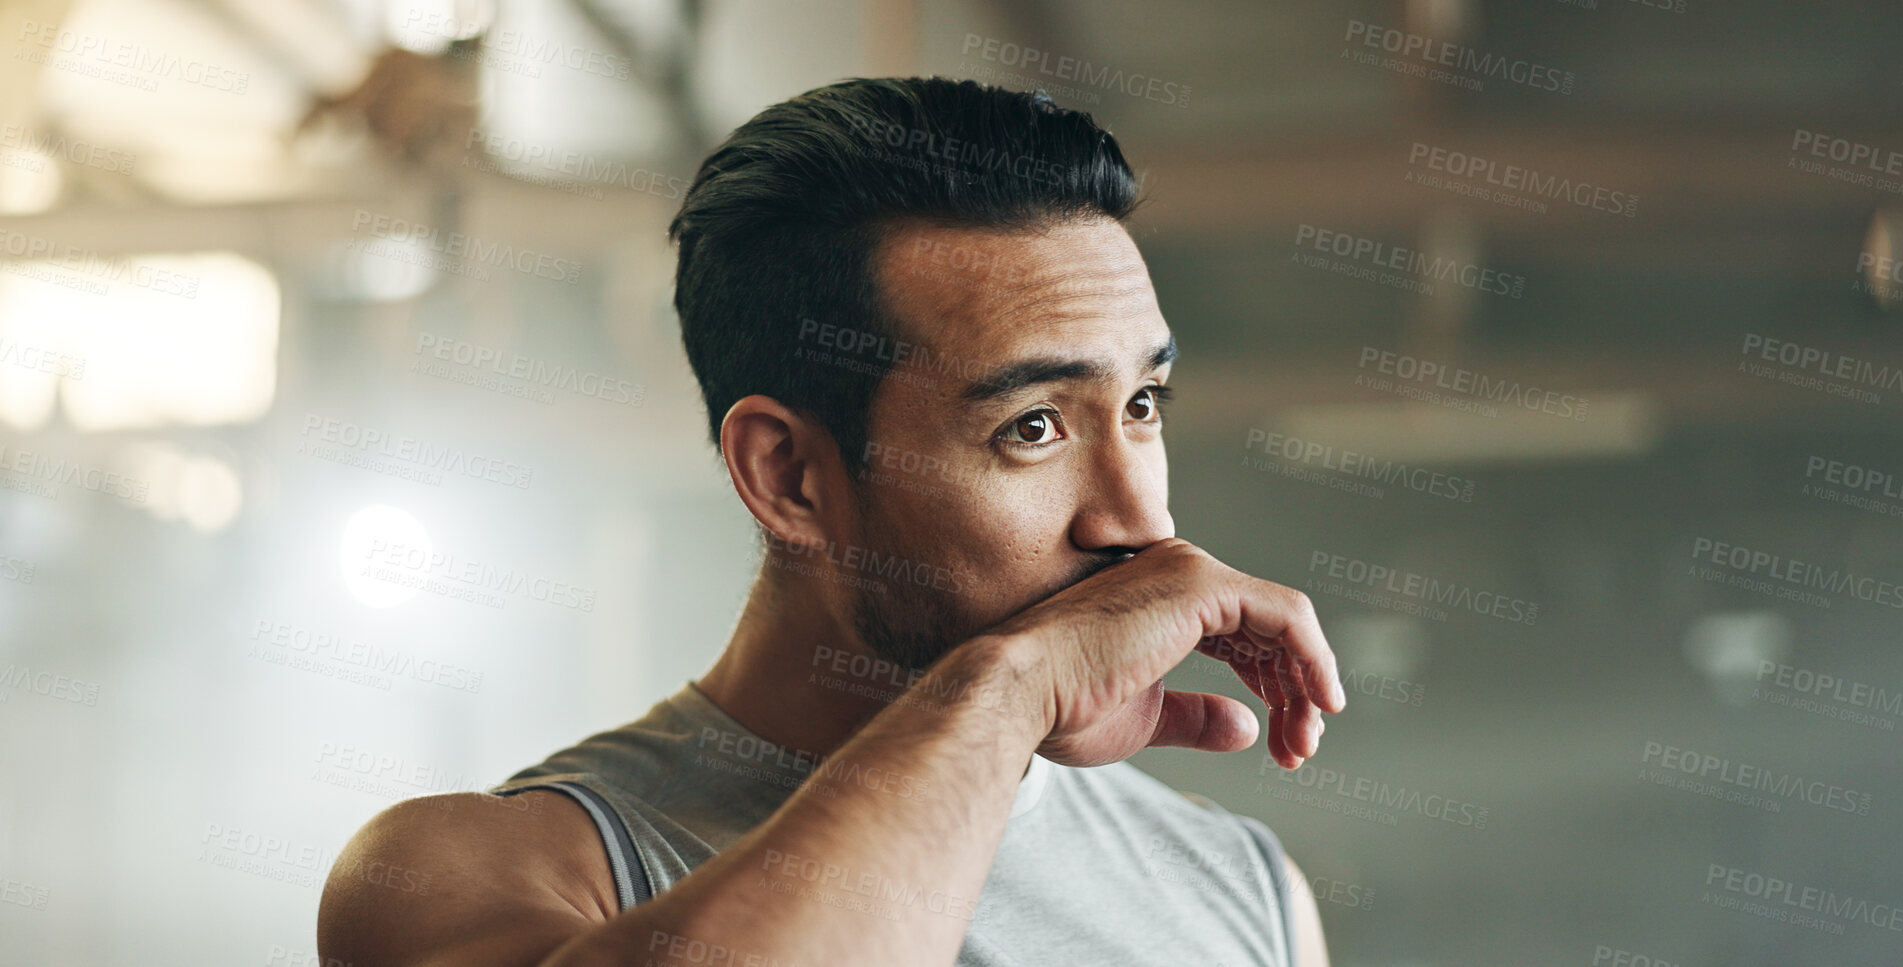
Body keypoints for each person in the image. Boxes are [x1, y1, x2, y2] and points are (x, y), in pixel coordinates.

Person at [318, 76, 1347, 967]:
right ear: (789, 475)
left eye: (1140, 406)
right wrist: (1011, 684)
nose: (1138, 518)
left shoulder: (1241, 886)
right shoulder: (477, 872)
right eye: (1031, 425)